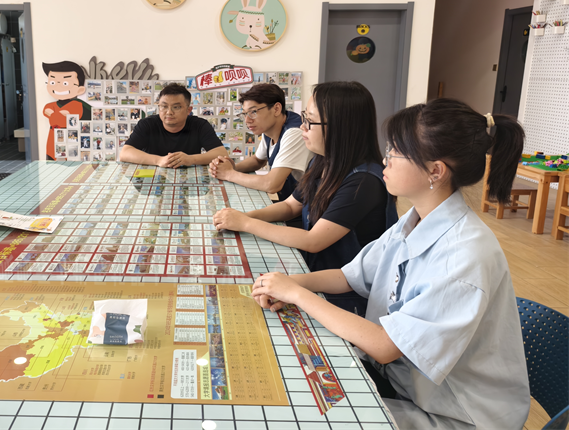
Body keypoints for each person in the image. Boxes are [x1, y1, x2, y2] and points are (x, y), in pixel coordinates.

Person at [251, 98, 529, 430]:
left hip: (454, 414)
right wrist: (291, 284)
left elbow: (385, 346)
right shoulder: (413, 220)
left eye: (396, 152)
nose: (385, 160)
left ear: (435, 171)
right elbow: (349, 276)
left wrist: (298, 295)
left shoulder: (464, 255)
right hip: (404, 384)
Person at [213, 81, 397, 316]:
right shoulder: (322, 160)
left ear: (340, 126)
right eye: (303, 117)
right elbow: (291, 205)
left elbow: (313, 240)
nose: (302, 126)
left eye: (310, 121)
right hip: (315, 273)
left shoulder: (364, 182)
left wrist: (247, 223)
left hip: (348, 295)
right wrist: (243, 217)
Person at [208, 83, 312, 224]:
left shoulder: (294, 132)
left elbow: (272, 184)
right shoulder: (270, 129)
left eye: (253, 112)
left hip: (306, 213)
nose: (247, 120)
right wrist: (230, 167)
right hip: (290, 205)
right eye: (245, 114)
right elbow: (257, 160)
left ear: (276, 109)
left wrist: (228, 174)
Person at [119, 83, 228, 168]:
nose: (169, 112)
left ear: (188, 110)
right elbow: (125, 153)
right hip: (152, 177)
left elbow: (221, 153)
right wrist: (159, 160)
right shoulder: (147, 124)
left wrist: (191, 159)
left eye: (176, 107)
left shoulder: (200, 125)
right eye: (164, 106)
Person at [42, 60, 91, 160]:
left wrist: (57, 116)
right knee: (52, 168)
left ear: (80, 89)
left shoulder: (78, 105)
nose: (58, 86)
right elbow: (48, 112)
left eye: (65, 83)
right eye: (52, 82)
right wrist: (60, 116)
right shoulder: (51, 105)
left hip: (72, 146)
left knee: (72, 168)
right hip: (52, 145)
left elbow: (62, 119)